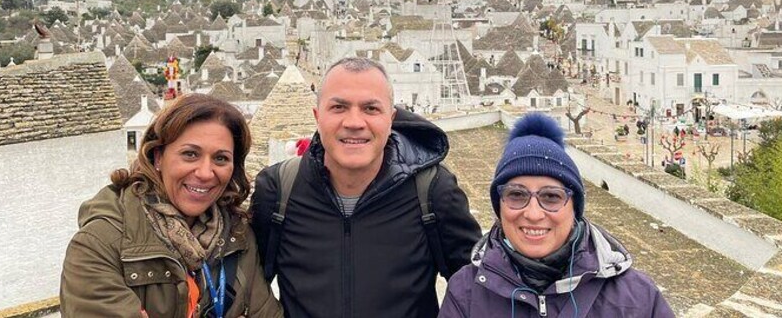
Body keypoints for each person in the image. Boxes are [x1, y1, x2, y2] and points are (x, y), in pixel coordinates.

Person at [251, 57, 481, 317]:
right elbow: (247, 291)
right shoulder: (277, 191)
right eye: (339, 107)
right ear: (317, 116)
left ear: (391, 118)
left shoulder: (433, 191)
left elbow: (478, 290)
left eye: (371, 109)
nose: (354, 122)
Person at [61, 94, 282, 318]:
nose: (205, 173)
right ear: (158, 157)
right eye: (190, 154)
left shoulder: (237, 236)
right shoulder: (99, 244)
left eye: (221, 158)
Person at [440, 113, 674, 317]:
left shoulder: (638, 298)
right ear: (499, 207)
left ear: (575, 208)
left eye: (551, 197)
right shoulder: (466, 292)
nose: (533, 213)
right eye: (516, 195)